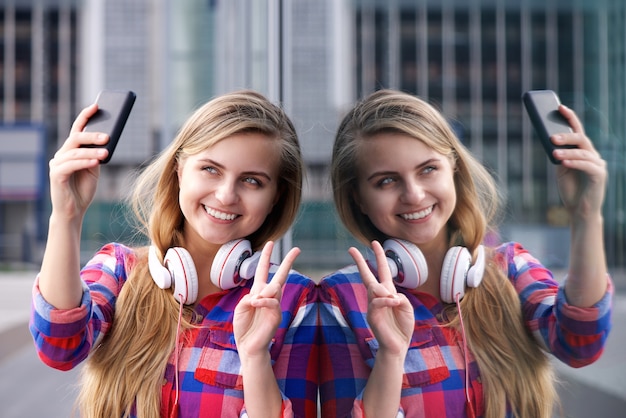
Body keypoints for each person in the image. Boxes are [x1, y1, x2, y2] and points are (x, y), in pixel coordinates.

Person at [318, 89, 613, 418]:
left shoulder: (507, 267)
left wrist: (586, 216)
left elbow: (581, 343)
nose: (414, 195)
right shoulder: (341, 299)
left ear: (454, 169)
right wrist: (390, 354)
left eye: (428, 169)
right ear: (358, 198)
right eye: (386, 181)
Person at [29, 90, 318, 418]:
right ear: (179, 170)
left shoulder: (295, 300)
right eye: (210, 169)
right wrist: (66, 216)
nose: (226, 195)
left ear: (275, 197)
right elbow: (58, 347)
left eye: (252, 181)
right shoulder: (121, 270)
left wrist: (255, 359)